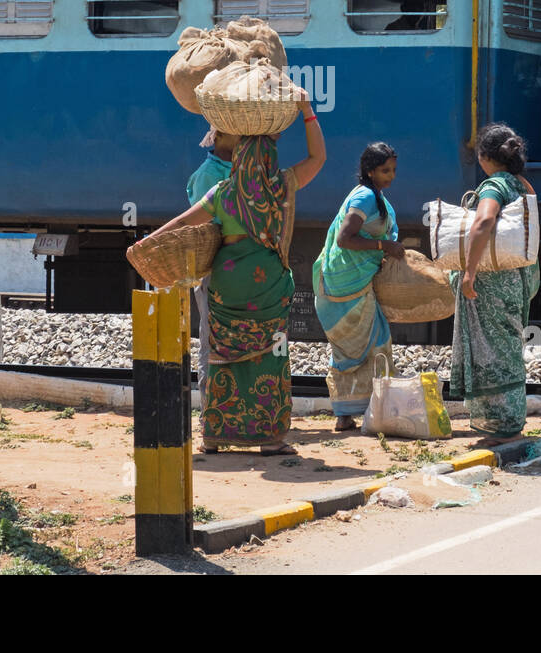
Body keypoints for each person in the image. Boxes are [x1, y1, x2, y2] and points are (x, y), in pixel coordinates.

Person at [140, 91, 325, 454]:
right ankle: (269, 439)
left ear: (239, 157)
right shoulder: (282, 186)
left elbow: (182, 222)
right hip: (269, 288)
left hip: (226, 288)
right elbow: (318, 157)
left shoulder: (223, 193)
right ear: (269, 159)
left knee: (222, 356)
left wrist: (148, 244)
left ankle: (216, 435)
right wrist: (307, 111)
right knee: (271, 357)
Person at [449, 123, 540, 445]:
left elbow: (484, 221)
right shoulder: (522, 185)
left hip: (492, 283)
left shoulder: (494, 186)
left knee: (492, 353)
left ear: (486, 157)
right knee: (508, 350)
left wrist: (469, 271)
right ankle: (510, 419)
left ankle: (500, 425)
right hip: (516, 281)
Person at [312, 143, 405, 431]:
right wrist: (383, 245)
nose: (390, 176)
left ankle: (347, 414)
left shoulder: (372, 195)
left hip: (344, 282)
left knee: (349, 350)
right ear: (369, 171)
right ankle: (366, 411)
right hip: (347, 284)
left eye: (392, 170)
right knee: (372, 344)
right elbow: (344, 239)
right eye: (384, 171)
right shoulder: (365, 197)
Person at [186, 127, 239, 405]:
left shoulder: (235, 169)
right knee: (212, 342)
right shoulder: (210, 175)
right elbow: (201, 227)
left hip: (232, 270)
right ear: (218, 136)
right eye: (235, 133)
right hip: (215, 271)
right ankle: (211, 413)